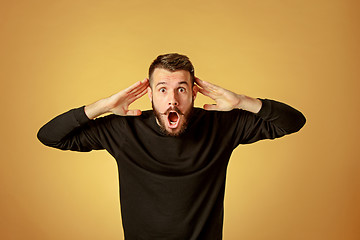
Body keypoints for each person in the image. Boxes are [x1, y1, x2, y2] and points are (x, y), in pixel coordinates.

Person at [37, 53, 306, 240]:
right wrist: (104, 106)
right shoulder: (123, 129)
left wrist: (241, 101)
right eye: (163, 89)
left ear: (194, 93)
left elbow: (293, 121)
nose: (172, 100)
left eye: (181, 89)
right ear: (150, 94)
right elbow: (50, 136)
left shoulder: (222, 125)